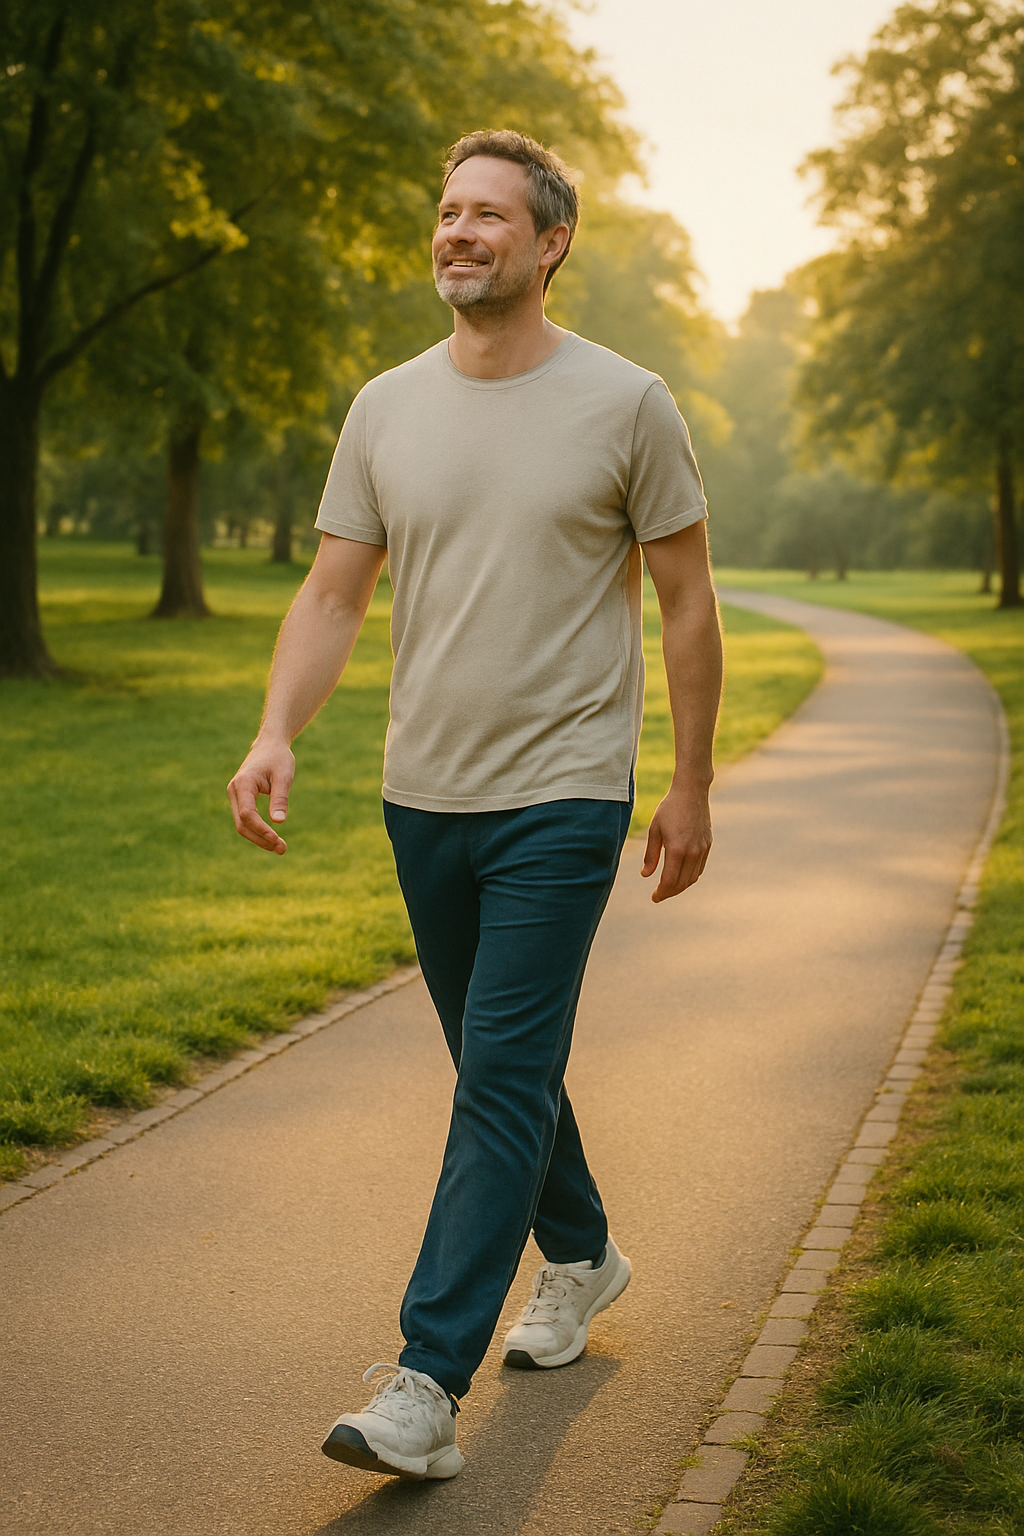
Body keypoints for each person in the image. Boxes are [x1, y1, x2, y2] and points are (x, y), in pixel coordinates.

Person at [227, 129, 723, 1483]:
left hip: (563, 796)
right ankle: (583, 1254)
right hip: (421, 794)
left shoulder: (628, 404)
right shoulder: (387, 405)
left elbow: (684, 598)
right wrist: (278, 730)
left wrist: (687, 782)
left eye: (489, 215)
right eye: (447, 211)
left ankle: (424, 1384)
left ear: (550, 242)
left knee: (496, 1080)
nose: (459, 232)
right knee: (500, 1070)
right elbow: (333, 592)